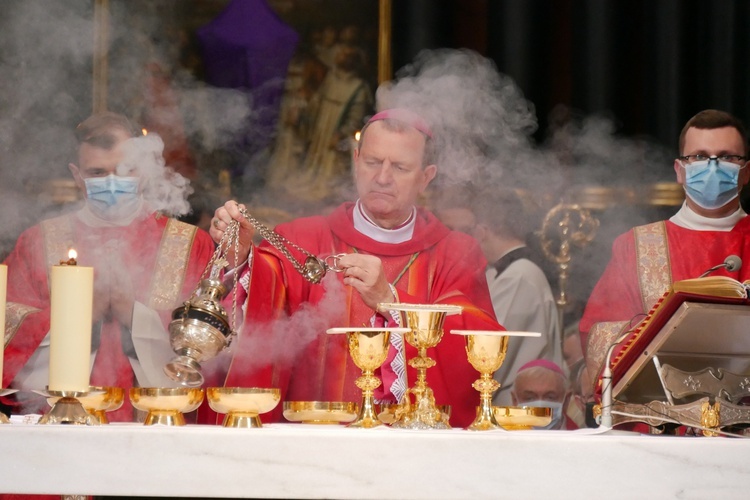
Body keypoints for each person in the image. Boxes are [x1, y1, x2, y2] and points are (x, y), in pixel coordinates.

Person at [208, 108, 502, 428]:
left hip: (413, 450)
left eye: (400, 167)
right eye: (373, 162)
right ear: (357, 160)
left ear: (426, 176)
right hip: (313, 442)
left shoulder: (456, 253)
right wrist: (240, 257)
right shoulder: (302, 239)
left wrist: (391, 301)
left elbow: (476, 349)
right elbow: (258, 317)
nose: (383, 177)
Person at [1, 112, 215, 421]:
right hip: (58, 423)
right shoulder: (38, 242)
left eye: (124, 171)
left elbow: (212, 348)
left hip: (159, 424)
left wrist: (134, 313)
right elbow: (7, 334)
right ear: (77, 176)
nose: (112, 183)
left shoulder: (188, 243)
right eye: (98, 173)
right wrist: (83, 313)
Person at [580, 109, 750, 384]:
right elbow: (602, 338)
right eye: (699, 157)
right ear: (680, 171)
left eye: (728, 157)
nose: (712, 168)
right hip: (660, 417)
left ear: (746, 172)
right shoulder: (635, 247)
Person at [435, 187, 562, 407]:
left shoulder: (520, 276)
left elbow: (489, 353)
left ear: (481, 232)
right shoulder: (502, 272)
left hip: (516, 407)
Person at [511, 359, 577, 430]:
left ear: (566, 400)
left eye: (550, 397)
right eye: (530, 398)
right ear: (515, 400)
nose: (540, 406)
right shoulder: (500, 437)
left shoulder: (581, 439)